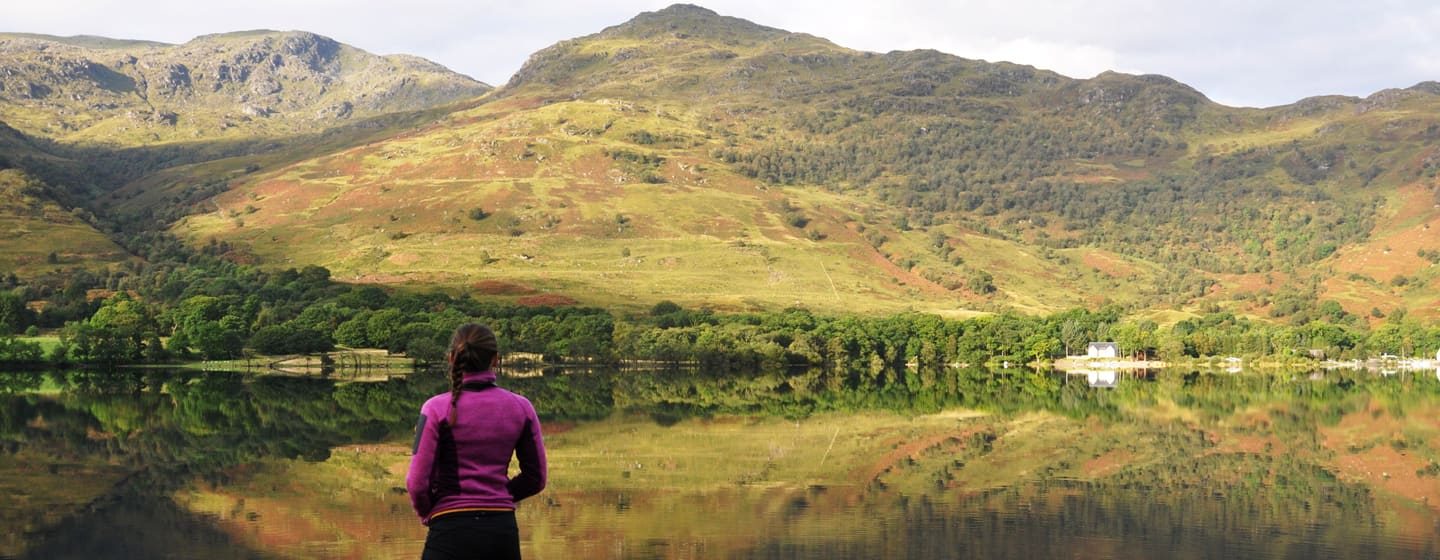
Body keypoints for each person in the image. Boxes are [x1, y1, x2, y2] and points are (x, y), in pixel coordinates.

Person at [407, 323, 547, 560]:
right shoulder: (522, 407)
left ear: (451, 358)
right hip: (500, 532)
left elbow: (417, 483)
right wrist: (498, 494)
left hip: (449, 529)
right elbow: (536, 478)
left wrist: (428, 513)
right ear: (495, 360)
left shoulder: (433, 409)